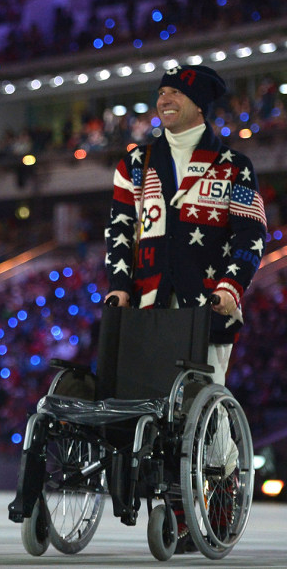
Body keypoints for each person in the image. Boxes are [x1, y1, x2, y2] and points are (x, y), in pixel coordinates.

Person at [104, 65, 267, 551]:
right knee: (150, 404)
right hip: (148, 305)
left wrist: (229, 289)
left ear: (200, 105)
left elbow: (251, 235)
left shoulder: (233, 165)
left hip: (208, 307)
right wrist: (118, 285)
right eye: (161, 92)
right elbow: (118, 229)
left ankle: (217, 500)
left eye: (176, 92)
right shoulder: (135, 161)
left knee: (207, 405)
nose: (164, 99)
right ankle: (166, 498)